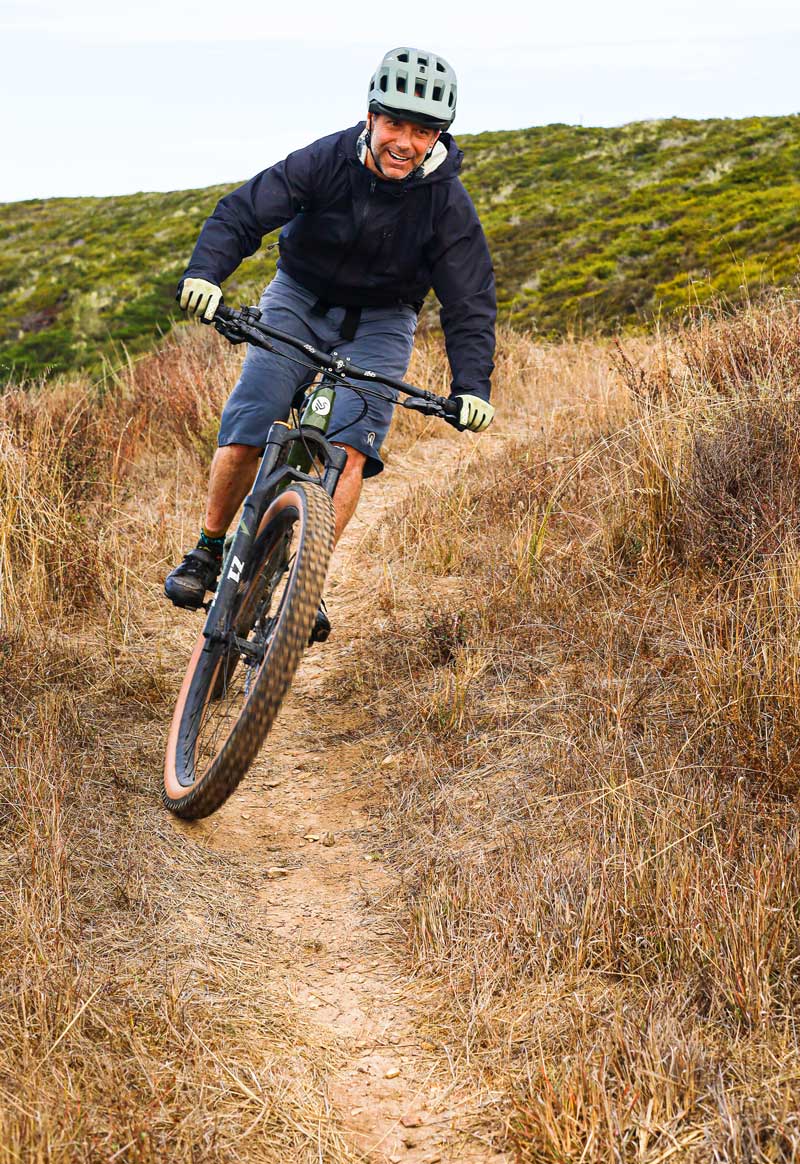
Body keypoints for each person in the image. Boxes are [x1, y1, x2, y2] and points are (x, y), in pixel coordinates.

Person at [165, 46, 497, 641]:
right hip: (299, 299)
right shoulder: (326, 159)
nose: (405, 141)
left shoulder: (447, 202)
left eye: (422, 131)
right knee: (254, 418)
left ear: (438, 137)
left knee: (349, 450)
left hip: (382, 322)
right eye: (394, 123)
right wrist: (204, 274)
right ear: (370, 117)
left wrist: (471, 386)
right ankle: (208, 550)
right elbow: (243, 213)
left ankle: (304, 584)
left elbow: (468, 300)